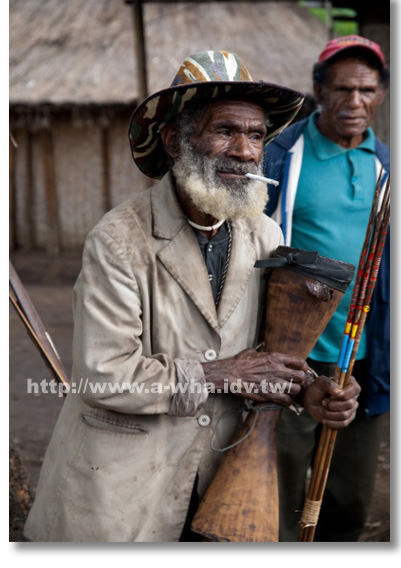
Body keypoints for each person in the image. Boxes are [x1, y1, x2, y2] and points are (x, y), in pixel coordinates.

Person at [23, 50, 360, 543]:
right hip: (122, 486)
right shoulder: (119, 239)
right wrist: (223, 373)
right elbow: (103, 373)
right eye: (226, 130)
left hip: (221, 477)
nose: (245, 151)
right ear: (175, 139)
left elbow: (268, 353)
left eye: (256, 135)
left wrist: (308, 389)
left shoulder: (263, 234)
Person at [263, 35, 390, 542]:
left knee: (350, 498)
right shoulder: (281, 156)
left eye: (366, 90)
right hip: (293, 354)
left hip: (364, 356)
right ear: (318, 89)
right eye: (341, 89)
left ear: (380, 93)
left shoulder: (385, 164)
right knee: (282, 486)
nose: (354, 102)